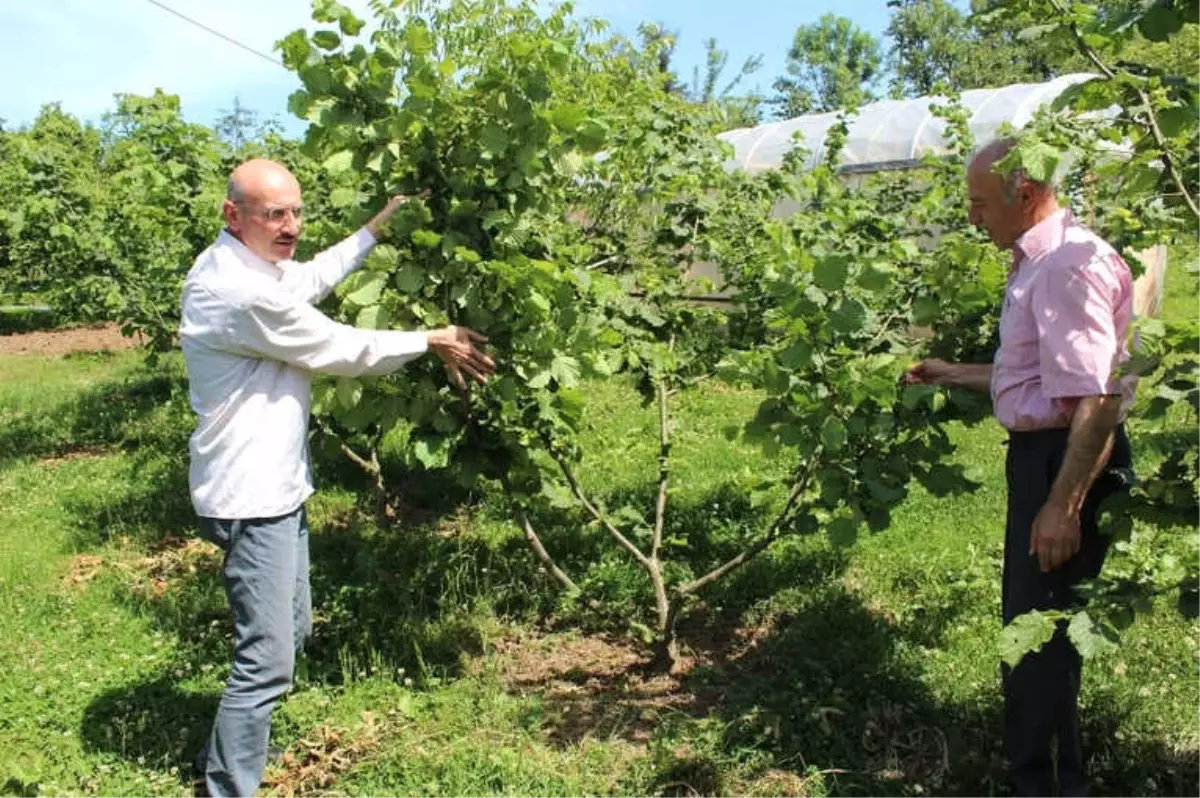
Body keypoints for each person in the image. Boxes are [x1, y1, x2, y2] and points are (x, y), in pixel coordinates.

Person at [180, 159, 496, 797]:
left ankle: (230, 757)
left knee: (289, 634)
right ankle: (227, 788)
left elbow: (305, 282)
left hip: (275, 487)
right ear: (232, 215)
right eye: (275, 214)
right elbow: (339, 348)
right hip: (251, 497)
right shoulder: (237, 291)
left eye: (296, 210)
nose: (291, 224)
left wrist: (374, 230)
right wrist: (429, 339)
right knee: (266, 663)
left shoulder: (249, 267)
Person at [906, 138, 1135, 797]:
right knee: (1033, 631)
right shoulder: (1038, 261)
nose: (973, 216)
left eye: (980, 203)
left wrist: (1062, 504)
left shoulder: (1064, 266)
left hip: (1066, 464)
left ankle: (1051, 785)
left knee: (1043, 644)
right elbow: (1042, 380)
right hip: (1051, 457)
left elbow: (1096, 397)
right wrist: (956, 372)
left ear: (1025, 195)